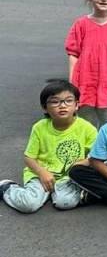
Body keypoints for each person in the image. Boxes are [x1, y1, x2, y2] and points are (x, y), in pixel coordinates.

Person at [0, 80, 97, 213]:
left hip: (68, 177)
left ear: (76, 105)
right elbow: (29, 157)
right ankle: (7, 187)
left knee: (65, 203)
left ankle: (57, 194)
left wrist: (82, 163)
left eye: (68, 100)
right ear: (45, 107)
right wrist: (41, 172)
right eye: (55, 102)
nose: (62, 106)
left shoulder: (86, 128)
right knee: (28, 205)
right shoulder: (39, 127)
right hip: (40, 174)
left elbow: (97, 156)